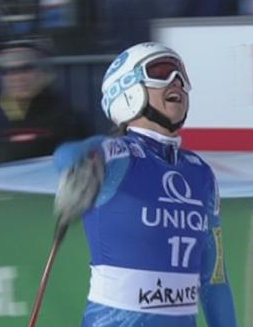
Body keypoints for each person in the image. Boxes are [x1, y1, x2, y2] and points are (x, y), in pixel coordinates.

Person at [53, 42, 238, 326]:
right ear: (126, 90)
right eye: (161, 71)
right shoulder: (118, 156)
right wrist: (86, 158)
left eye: (181, 75)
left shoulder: (201, 173)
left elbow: (214, 278)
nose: (176, 80)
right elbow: (65, 156)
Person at [0, 41, 88, 163]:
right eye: (8, 71)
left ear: (43, 73)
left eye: (26, 69)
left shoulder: (65, 117)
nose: (17, 78)